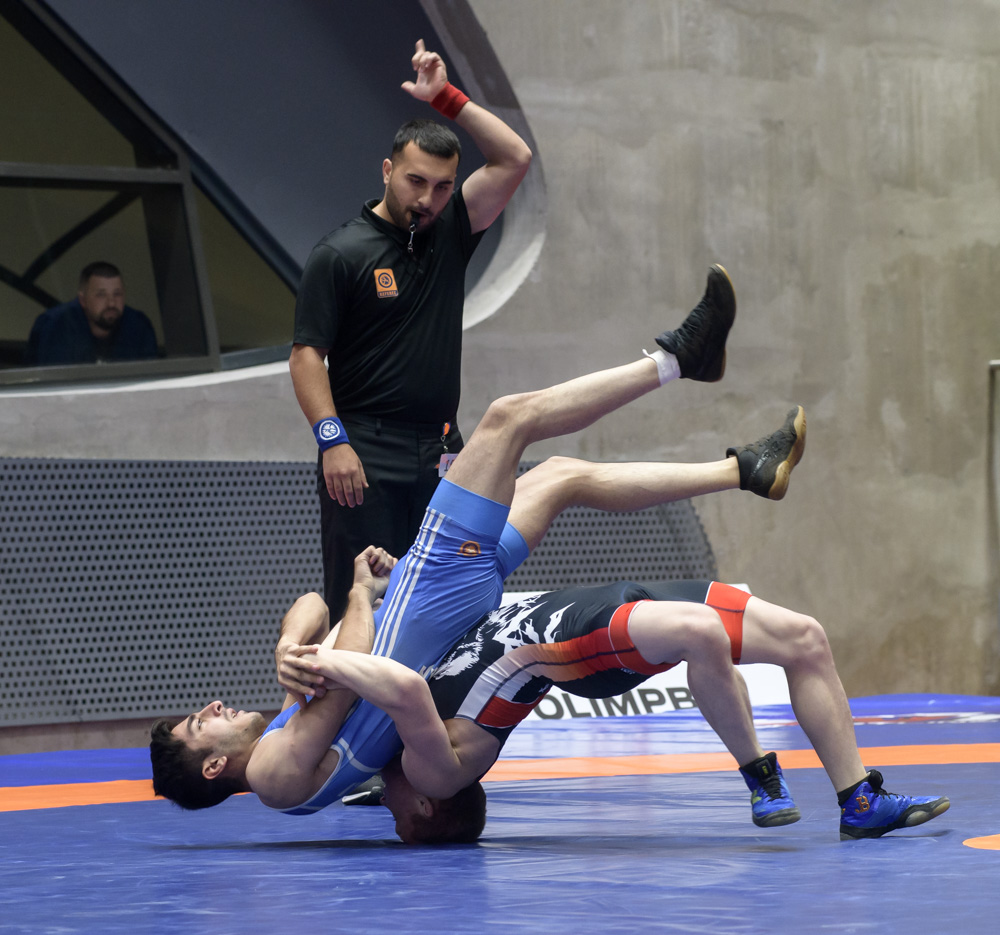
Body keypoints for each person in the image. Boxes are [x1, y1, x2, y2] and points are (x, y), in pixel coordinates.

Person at [152, 264, 783, 816]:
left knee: (561, 476)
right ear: (214, 766)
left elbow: (309, 606)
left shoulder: (282, 739)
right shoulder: (272, 779)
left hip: (439, 607)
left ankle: (741, 471)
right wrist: (360, 597)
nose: (212, 706)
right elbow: (349, 678)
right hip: (423, 595)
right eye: (198, 725)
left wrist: (291, 645)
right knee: (510, 418)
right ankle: (678, 361)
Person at [297, 579, 951, 845]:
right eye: (393, 810)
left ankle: (858, 800)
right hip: (573, 646)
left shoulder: (398, 756)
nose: (385, 795)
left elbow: (362, 637)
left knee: (805, 638)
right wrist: (320, 662)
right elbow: (404, 690)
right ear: (424, 806)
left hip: (601, 600)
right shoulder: (438, 770)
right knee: (701, 632)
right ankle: (759, 774)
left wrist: (365, 588)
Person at [289, 39, 533, 622]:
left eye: (443, 187)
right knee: (360, 603)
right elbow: (306, 355)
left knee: (443, 598)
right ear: (387, 170)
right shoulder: (341, 253)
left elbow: (515, 157)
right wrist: (332, 441)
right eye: (415, 181)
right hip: (363, 452)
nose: (427, 199)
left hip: (442, 450)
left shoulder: (451, 231)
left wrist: (446, 97)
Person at [24, 261, 158, 365]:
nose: (111, 303)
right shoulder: (55, 325)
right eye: (101, 295)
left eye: (117, 294)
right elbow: (50, 383)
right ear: (83, 300)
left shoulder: (138, 325)